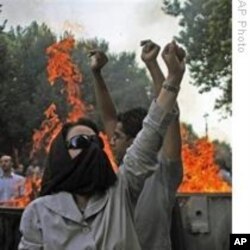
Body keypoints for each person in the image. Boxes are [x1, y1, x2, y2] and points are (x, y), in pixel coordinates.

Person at [18, 40, 185, 250]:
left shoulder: (122, 190)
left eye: (96, 141)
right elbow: (109, 118)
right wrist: (96, 74)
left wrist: (172, 77)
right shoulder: (39, 213)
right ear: (61, 154)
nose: (96, 145)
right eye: (80, 142)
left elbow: (159, 122)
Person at [89, 40, 185, 249]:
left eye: (118, 136)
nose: (110, 141)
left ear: (136, 140)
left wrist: (154, 67)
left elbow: (166, 115)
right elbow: (108, 116)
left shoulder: (163, 172)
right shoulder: (121, 176)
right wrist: (97, 74)